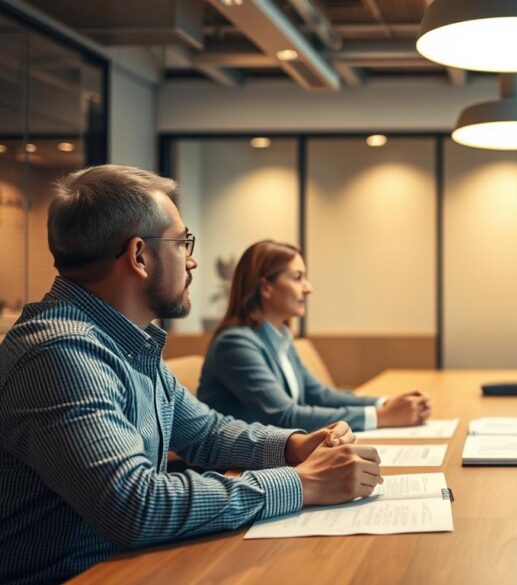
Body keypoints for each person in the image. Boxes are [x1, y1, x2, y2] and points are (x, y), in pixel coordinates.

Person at [0, 165, 384, 584]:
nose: (193, 259)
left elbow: (207, 432)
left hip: (133, 563)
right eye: (183, 242)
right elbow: (136, 504)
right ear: (139, 256)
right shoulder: (60, 353)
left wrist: (294, 446)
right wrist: (300, 483)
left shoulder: (129, 341)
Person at [197, 240, 431, 432]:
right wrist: (382, 416)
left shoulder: (280, 338)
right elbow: (285, 416)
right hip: (236, 471)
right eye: (297, 277)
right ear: (266, 287)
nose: (308, 288)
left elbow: (320, 396)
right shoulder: (235, 344)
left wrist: (387, 404)